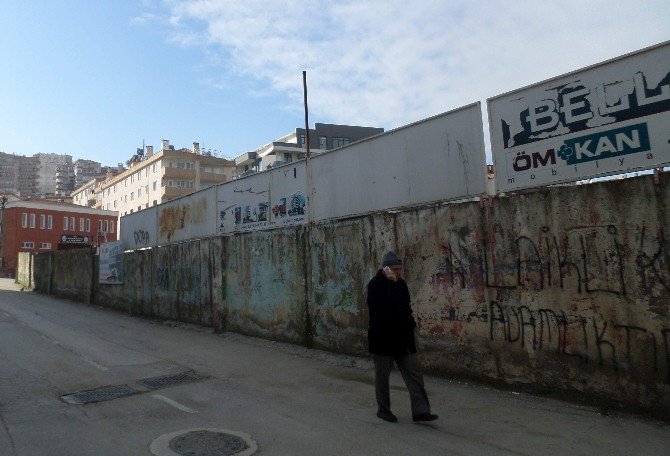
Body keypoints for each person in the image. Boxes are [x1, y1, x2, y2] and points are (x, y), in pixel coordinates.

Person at [367, 251, 438, 423]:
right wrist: (391, 284)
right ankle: (383, 410)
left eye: (399, 269)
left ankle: (421, 411)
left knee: (415, 374)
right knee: (382, 378)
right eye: (394, 269)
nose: (398, 272)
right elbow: (383, 309)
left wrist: (411, 326)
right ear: (386, 268)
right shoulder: (375, 285)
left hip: (403, 339)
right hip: (383, 340)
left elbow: (405, 306)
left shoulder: (401, 284)